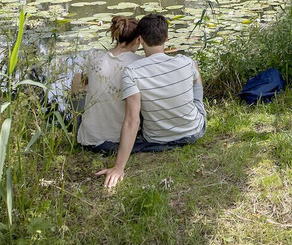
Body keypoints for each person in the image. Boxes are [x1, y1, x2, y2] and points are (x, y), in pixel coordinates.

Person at [96, 13, 206, 188]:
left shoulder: (132, 72)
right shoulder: (186, 62)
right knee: (195, 73)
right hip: (192, 132)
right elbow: (194, 81)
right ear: (167, 38)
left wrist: (118, 168)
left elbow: (133, 119)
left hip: (156, 139)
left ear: (140, 40)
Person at [72, 15, 142, 153]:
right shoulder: (138, 63)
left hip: (88, 140)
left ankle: (76, 125)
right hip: (121, 139)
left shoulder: (94, 57)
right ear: (138, 39)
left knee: (78, 78)